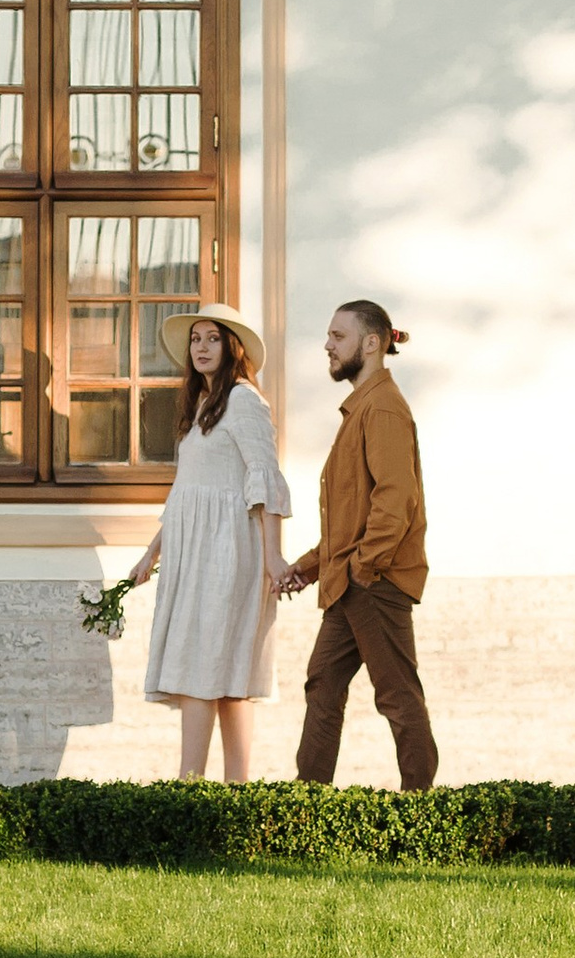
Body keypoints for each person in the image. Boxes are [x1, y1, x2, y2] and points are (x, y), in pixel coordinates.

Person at [122, 303, 291, 780]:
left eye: (212, 338)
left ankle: (189, 785)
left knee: (208, 662)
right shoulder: (200, 407)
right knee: (224, 673)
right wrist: (150, 554)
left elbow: (265, 478)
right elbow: (187, 494)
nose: (201, 346)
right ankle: (235, 789)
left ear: (231, 347)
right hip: (194, 551)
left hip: (231, 548)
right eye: (195, 339)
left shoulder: (244, 400)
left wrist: (274, 556)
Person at [277, 297, 438, 788]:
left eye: (338, 336)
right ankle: (309, 804)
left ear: (372, 343)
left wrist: (366, 567)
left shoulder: (384, 408)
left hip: (374, 582)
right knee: (323, 685)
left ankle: (422, 810)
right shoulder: (360, 408)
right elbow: (351, 514)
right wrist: (311, 567)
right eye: (329, 336)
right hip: (348, 581)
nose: (327, 345)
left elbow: (397, 498)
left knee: (397, 696)